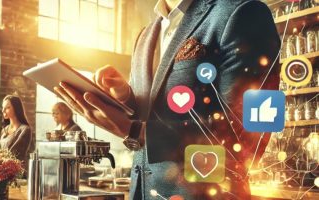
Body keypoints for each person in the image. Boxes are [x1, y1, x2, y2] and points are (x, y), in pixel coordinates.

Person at [55, 0, 280, 199]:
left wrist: (135, 131)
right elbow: (153, 113)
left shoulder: (244, 12)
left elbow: (244, 136)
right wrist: (126, 96)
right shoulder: (146, 34)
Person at [0, 95, 33, 171]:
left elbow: (15, 153)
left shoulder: (25, 129)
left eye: (7, 107)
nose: (3, 110)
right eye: (3, 107)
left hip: (16, 172)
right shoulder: (4, 130)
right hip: (2, 171)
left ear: (16, 109)